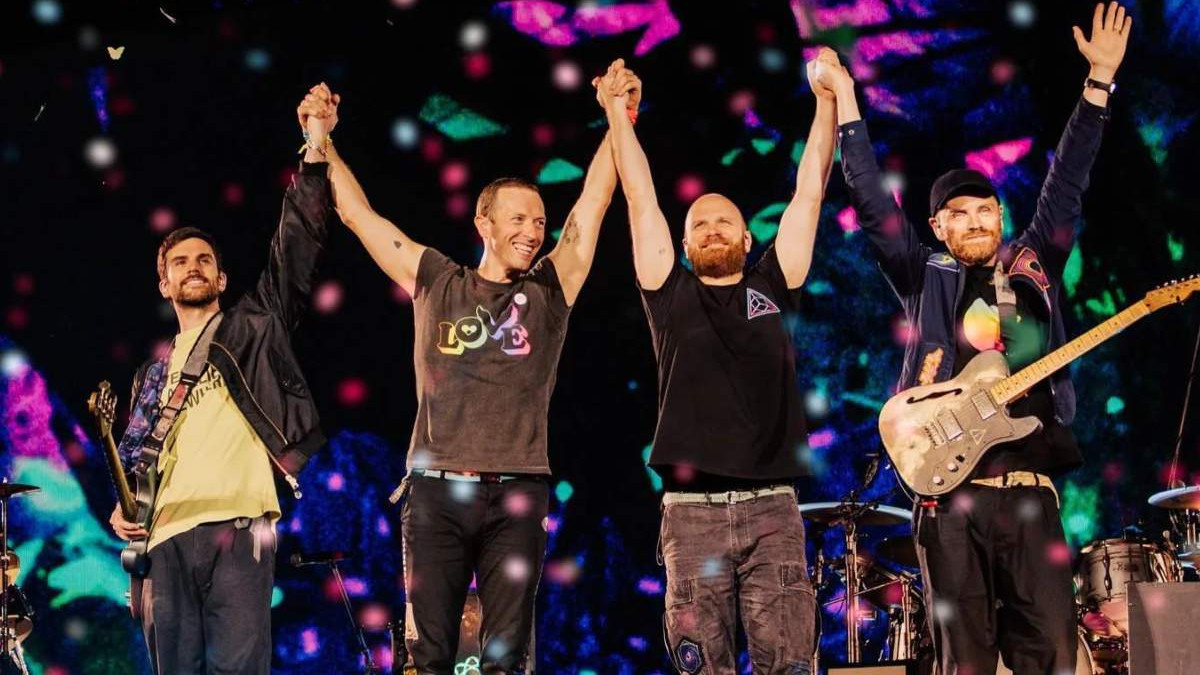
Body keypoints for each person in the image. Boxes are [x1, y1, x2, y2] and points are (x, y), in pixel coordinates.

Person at [819, 3, 1132, 671]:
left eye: (984, 209)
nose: (974, 221)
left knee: (1050, 652)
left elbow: (1068, 179)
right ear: (938, 228)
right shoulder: (923, 273)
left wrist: (1098, 83)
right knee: (964, 660)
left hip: (1030, 494)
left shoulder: (1033, 264)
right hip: (948, 501)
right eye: (957, 214)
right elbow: (871, 202)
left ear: (1000, 216)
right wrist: (846, 99)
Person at [299, 64, 632, 673]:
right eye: (518, 219)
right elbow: (359, 216)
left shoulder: (551, 288)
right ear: (484, 224)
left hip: (519, 493)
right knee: (428, 654)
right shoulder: (436, 280)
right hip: (436, 492)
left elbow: (594, 202)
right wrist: (322, 140)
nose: (533, 232)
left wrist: (618, 116)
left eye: (539, 222)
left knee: (507, 655)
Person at [597, 53, 835, 673]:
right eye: (698, 223)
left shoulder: (775, 283)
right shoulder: (668, 292)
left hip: (773, 510)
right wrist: (618, 114)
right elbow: (640, 197)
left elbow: (810, 191)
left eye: (723, 220)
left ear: (747, 238)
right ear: (682, 244)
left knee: (789, 665)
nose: (710, 228)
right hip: (689, 516)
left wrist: (828, 102)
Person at [107, 85, 336, 674]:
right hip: (163, 540)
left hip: (240, 525)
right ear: (164, 284)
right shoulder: (151, 376)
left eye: (204, 259)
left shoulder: (253, 326)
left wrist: (315, 146)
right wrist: (121, 509)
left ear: (222, 278)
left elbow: (296, 246)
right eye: (180, 262)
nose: (193, 267)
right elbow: (133, 460)